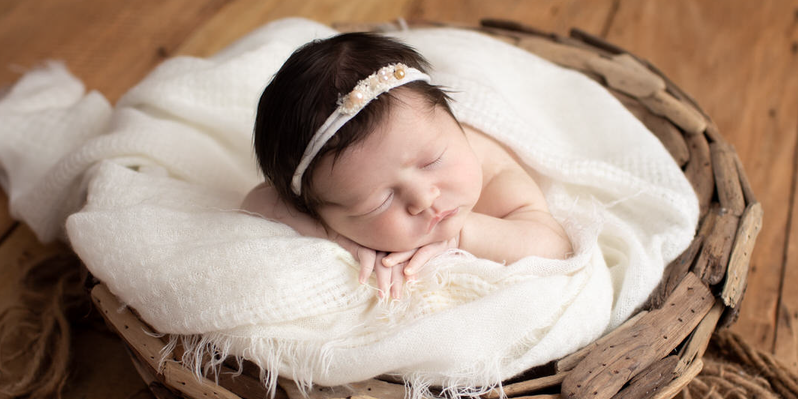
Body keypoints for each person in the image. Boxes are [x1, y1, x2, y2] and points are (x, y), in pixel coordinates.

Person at [242, 32, 572, 300]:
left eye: (432, 161)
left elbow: (555, 246)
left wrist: (460, 237)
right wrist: (338, 236)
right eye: (378, 202)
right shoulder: (329, 205)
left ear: (454, 123)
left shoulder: (492, 173)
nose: (424, 199)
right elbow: (257, 202)